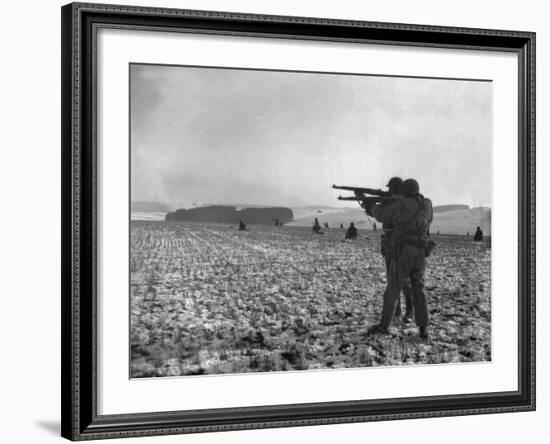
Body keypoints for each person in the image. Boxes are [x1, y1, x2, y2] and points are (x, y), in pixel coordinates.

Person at [363, 178, 433, 340]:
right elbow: (428, 221)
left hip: (403, 251)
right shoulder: (427, 204)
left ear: (404, 191)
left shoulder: (401, 205)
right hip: (421, 251)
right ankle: (423, 329)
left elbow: (380, 214)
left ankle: (384, 326)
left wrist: (369, 203)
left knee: (393, 287)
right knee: (419, 289)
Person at [378, 177, 414, 323]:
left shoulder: (401, 203)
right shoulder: (405, 203)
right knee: (397, 279)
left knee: (401, 280)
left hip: (397, 244)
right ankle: (401, 311)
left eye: (391, 188)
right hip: (392, 244)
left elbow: (379, 214)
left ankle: (405, 311)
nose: (389, 191)